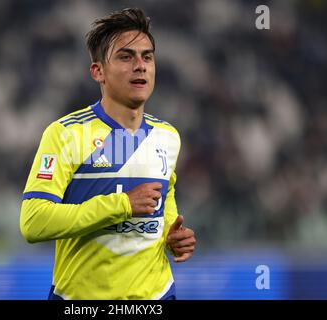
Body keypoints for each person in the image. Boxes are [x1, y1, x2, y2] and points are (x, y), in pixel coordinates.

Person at [20, 7, 196, 300]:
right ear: (98, 71)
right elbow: (34, 221)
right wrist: (122, 205)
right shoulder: (66, 134)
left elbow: (164, 206)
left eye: (147, 57)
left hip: (157, 296)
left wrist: (173, 238)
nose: (140, 65)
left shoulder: (168, 136)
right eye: (126, 57)